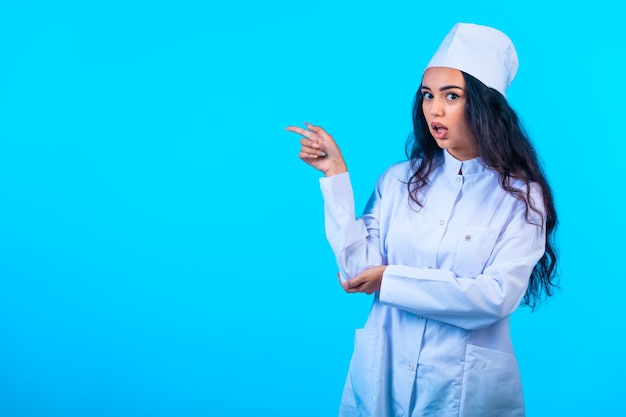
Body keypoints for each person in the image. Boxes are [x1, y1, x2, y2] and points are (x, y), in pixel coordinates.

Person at [286, 22, 558, 417]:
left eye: (452, 96)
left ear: (483, 104)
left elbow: (495, 296)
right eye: (428, 95)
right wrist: (336, 175)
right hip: (384, 376)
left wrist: (391, 279)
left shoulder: (520, 197)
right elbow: (357, 270)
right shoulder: (398, 180)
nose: (435, 108)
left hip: (463, 389)